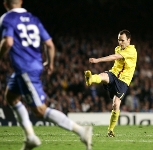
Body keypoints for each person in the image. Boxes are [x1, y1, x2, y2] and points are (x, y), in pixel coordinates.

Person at [0, 0, 92, 150]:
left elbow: (8, 42)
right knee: (11, 97)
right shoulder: (33, 19)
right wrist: (50, 63)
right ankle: (30, 136)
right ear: (21, 1)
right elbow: (49, 44)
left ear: (5, 4)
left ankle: (81, 131)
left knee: (40, 110)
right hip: (31, 66)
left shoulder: (8, 18)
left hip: (25, 68)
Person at [85, 29, 137, 137]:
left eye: (122, 40)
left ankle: (110, 130)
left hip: (123, 81)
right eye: (119, 40)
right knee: (103, 76)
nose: (120, 42)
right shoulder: (118, 48)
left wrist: (97, 60)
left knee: (115, 104)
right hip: (114, 74)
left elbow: (114, 57)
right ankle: (90, 79)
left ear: (129, 40)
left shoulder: (131, 51)